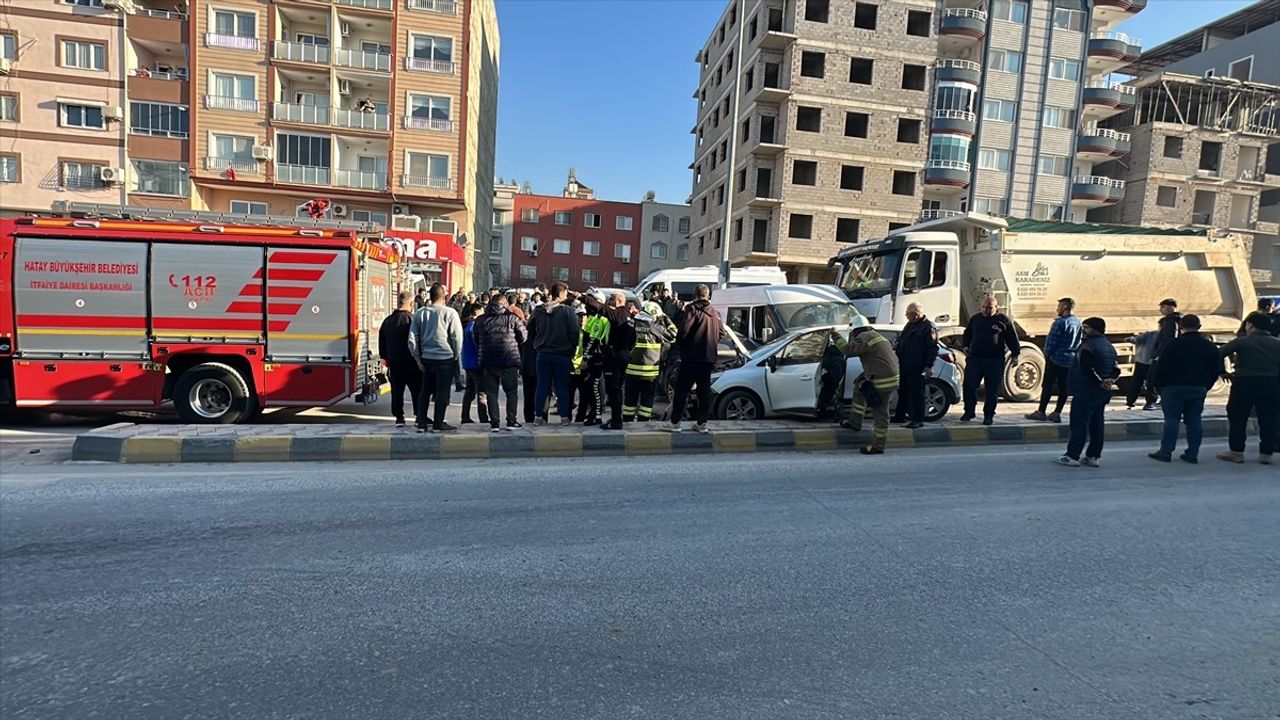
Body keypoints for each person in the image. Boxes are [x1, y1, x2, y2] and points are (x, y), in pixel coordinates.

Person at [1147, 314, 1222, 464]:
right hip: (1198, 387)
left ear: (1180, 327)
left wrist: (1156, 385)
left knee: (1172, 420)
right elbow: (1216, 369)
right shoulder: (1209, 346)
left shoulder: (1173, 344)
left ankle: (1166, 452)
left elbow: (1162, 367)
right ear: (1199, 327)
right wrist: (1206, 386)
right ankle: (1192, 454)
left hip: (1173, 388)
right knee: (1194, 420)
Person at [1055, 317, 1120, 468]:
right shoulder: (1109, 346)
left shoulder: (1088, 346)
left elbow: (1086, 369)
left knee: (1079, 424)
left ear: (1096, 329)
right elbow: (1116, 369)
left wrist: (1100, 381)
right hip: (1102, 393)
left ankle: (1072, 455)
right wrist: (1110, 380)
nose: (1083, 330)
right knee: (1097, 424)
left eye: (1086, 327)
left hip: (1086, 391)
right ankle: (1093, 456)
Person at [1217, 312, 1280, 464]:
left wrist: (1223, 372)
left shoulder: (1242, 342)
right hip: (1270, 383)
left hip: (1244, 383)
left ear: (1250, 325)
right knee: (1269, 418)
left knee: (1238, 417)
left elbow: (1218, 353)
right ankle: (1266, 454)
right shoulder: (1277, 343)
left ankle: (1236, 452)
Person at [661, 284, 723, 434]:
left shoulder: (692, 310)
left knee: (682, 391)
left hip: (691, 358)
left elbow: (683, 332)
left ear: (695, 295)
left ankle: (675, 423)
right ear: (708, 296)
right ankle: (702, 423)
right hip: (708, 359)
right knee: (704, 392)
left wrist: (681, 345)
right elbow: (721, 334)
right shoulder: (715, 313)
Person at [408, 283, 463, 433]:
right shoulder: (450, 313)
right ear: (443, 296)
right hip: (445, 358)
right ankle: (438, 423)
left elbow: (412, 338)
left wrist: (417, 358)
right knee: (442, 391)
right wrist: (456, 354)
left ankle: (421, 423)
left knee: (425, 391)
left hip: (427, 357)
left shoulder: (420, 313)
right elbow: (457, 337)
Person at [581, 291, 639, 430]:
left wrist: (582, 297)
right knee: (617, 389)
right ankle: (615, 419)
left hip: (614, 357)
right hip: (623, 356)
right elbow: (633, 339)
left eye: (611, 300)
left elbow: (600, 308)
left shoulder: (618, 314)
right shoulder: (630, 318)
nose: (609, 303)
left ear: (618, 301)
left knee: (613, 390)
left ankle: (616, 421)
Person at [840, 326, 901, 455]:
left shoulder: (864, 337)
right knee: (859, 387)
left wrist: (835, 336)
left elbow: (848, 350)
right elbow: (877, 361)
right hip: (888, 375)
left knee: (880, 412)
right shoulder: (877, 336)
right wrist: (863, 376)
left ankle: (878, 446)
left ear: (857, 331)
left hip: (883, 380)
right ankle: (854, 422)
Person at [960, 296, 1020, 425]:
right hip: (975, 358)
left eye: (990, 308)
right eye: (984, 307)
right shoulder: (975, 319)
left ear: (996, 307)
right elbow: (967, 334)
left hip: (994, 360)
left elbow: (1012, 338)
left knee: (991, 390)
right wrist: (965, 345)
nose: (986, 310)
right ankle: (969, 411)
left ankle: (988, 415)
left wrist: (1015, 355)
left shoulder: (1003, 320)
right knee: (969, 386)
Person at [527, 282, 580, 425]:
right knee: (561, 386)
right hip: (562, 355)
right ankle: (564, 418)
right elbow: (575, 333)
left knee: (542, 386)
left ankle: (538, 417)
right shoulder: (568, 312)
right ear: (562, 294)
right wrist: (572, 348)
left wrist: (538, 340)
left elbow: (529, 328)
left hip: (543, 354)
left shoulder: (538, 310)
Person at [474, 294, 527, 433]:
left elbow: (476, 338)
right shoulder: (512, 318)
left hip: (488, 360)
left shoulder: (480, 320)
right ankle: (511, 421)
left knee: (491, 393)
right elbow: (524, 336)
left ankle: (495, 424)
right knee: (511, 392)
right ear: (504, 303)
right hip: (508, 359)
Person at [1027, 297, 1081, 423]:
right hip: (1070, 360)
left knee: (1047, 385)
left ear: (1065, 307)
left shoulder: (1059, 322)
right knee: (1064, 387)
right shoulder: (1078, 322)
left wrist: (1047, 354)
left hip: (1056, 358)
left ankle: (1041, 411)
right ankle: (1057, 413)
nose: (1057, 309)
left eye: (1059, 306)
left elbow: (1052, 341)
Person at [623, 301, 676, 425]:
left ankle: (627, 422)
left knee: (629, 400)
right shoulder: (655, 327)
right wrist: (666, 318)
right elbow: (674, 335)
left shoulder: (631, 323)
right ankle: (643, 423)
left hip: (631, 370)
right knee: (646, 400)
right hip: (649, 373)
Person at [378, 291, 421, 427]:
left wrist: (385, 359)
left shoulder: (388, 321)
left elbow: (382, 343)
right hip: (412, 362)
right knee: (416, 390)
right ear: (411, 303)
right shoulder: (413, 320)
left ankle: (399, 417)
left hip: (394, 362)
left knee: (397, 390)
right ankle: (418, 415)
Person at [893, 303, 937, 429]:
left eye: (908, 313)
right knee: (903, 391)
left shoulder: (928, 327)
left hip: (917, 366)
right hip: (905, 364)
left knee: (917, 393)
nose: (906, 316)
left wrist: (928, 366)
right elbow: (903, 340)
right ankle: (900, 415)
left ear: (916, 314)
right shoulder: (910, 325)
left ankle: (918, 419)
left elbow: (932, 348)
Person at [574, 301, 610, 425]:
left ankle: (596, 416)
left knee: (595, 387)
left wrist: (585, 358)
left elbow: (593, 340)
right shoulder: (593, 318)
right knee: (591, 388)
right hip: (594, 358)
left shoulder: (599, 319)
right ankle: (593, 414)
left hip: (597, 357)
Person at [1146, 298, 1182, 411]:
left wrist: (1159, 354)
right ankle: (1164, 399)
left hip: (1163, 354)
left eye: (1162, 307)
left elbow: (1168, 338)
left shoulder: (1171, 320)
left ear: (1171, 307)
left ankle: (1151, 402)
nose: (1160, 310)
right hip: (1170, 354)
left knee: (1152, 377)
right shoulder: (1176, 320)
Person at [459, 303, 489, 425]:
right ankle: (483, 418)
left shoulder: (467, 327)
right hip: (475, 364)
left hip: (468, 363)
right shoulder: (473, 328)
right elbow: (478, 346)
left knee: (470, 391)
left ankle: (465, 416)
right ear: (473, 315)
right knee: (481, 391)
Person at [1125, 329, 1158, 410]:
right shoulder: (1153, 334)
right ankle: (1150, 402)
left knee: (1137, 381)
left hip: (1143, 361)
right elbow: (1137, 339)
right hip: (1150, 362)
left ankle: (1130, 400)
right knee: (1151, 383)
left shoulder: (1152, 334)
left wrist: (1133, 339)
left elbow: (1137, 339)